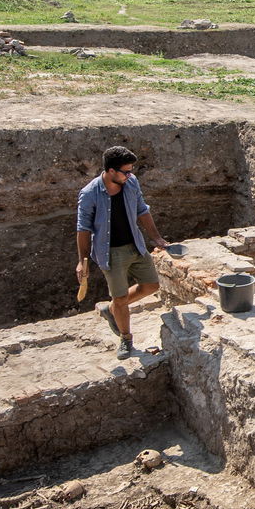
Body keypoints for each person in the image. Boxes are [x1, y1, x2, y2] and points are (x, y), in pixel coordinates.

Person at [76, 146, 169, 360]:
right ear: (110, 171)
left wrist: (156, 237)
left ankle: (112, 309)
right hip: (110, 252)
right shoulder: (89, 194)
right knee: (120, 297)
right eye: (125, 172)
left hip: (135, 245)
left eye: (130, 171)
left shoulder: (131, 182)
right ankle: (126, 339)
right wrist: (82, 260)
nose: (130, 175)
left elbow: (142, 210)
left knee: (151, 286)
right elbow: (83, 229)